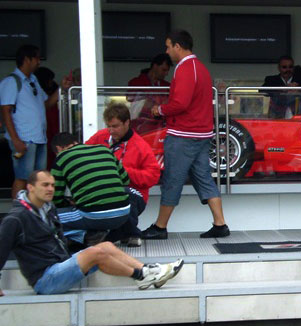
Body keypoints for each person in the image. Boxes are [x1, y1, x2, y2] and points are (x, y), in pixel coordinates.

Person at [0, 170, 183, 296]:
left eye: (53, 185)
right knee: (95, 252)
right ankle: (141, 275)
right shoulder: (16, 218)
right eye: (45, 185)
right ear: (30, 187)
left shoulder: (47, 208)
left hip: (61, 266)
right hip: (45, 279)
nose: (50, 189)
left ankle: (148, 271)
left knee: (105, 246)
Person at [143, 29, 229, 240]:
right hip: (202, 134)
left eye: (168, 46)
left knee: (173, 179)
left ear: (177, 47)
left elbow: (180, 103)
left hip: (183, 134)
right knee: (204, 178)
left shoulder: (184, 69)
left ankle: (160, 227)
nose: (167, 50)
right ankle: (220, 224)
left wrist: (159, 110)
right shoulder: (200, 68)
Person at [85, 103, 162, 247]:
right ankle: (126, 233)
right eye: (109, 126)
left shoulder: (140, 145)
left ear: (127, 123)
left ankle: (126, 234)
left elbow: (153, 176)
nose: (111, 130)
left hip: (133, 194)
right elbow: (84, 154)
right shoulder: (100, 136)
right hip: (104, 192)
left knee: (125, 194)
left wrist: (123, 172)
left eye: (115, 126)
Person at [50, 132, 131, 246]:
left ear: (58, 148)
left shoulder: (61, 157)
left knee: (45, 218)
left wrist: (69, 203)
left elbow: (55, 198)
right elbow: (126, 180)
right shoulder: (104, 150)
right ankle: (99, 233)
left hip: (93, 215)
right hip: (124, 212)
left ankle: (87, 236)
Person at [0, 45, 58, 198]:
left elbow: (46, 105)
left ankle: (34, 213)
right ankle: (18, 215)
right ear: (27, 59)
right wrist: (15, 139)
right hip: (24, 139)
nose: (39, 62)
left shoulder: (33, 80)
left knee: (38, 179)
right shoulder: (11, 82)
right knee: (22, 178)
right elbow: (5, 111)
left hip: (39, 138)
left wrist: (62, 89)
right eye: (37, 58)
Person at [127, 53, 173, 135]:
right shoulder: (136, 82)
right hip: (139, 126)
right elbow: (131, 99)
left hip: (161, 127)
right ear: (155, 66)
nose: (166, 73)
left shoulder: (167, 86)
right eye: (164, 70)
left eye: (167, 70)